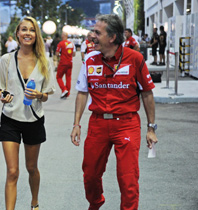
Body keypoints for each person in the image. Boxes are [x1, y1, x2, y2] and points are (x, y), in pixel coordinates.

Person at [70, 14, 158, 210]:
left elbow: (147, 94)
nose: (92, 36)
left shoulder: (135, 58)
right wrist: (76, 124)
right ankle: (96, 202)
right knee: (90, 174)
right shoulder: (90, 59)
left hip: (127, 124)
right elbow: (82, 93)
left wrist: (151, 128)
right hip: (98, 123)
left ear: (112, 37)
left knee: (128, 179)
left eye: (97, 32)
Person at [0, 16, 55, 210]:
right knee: (12, 171)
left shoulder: (44, 61)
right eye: (24, 29)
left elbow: (47, 94)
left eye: (31, 30)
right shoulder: (6, 59)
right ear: (17, 34)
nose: (27, 33)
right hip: (10, 119)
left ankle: (34, 202)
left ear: (36, 34)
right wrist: (3, 96)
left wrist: (39, 95)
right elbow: (1, 88)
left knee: (31, 168)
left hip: (34, 119)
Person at [56, 31, 76, 99]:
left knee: (58, 77)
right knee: (68, 78)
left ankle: (64, 89)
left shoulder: (61, 43)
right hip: (70, 62)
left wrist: (60, 55)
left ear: (63, 36)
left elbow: (57, 53)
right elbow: (74, 54)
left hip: (63, 62)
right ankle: (67, 92)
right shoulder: (72, 44)